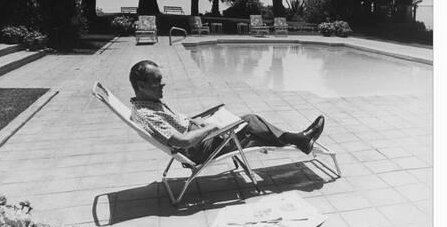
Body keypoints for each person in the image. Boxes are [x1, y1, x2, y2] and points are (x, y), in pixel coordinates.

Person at [129, 60, 325, 165]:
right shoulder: (147, 114)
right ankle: (299, 139)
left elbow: (179, 128)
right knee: (250, 124)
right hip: (199, 149)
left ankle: (298, 139)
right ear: (141, 85)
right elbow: (183, 141)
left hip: (200, 137)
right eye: (157, 81)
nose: (162, 85)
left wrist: (197, 121)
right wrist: (211, 127)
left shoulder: (147, 103)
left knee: (252, 128)